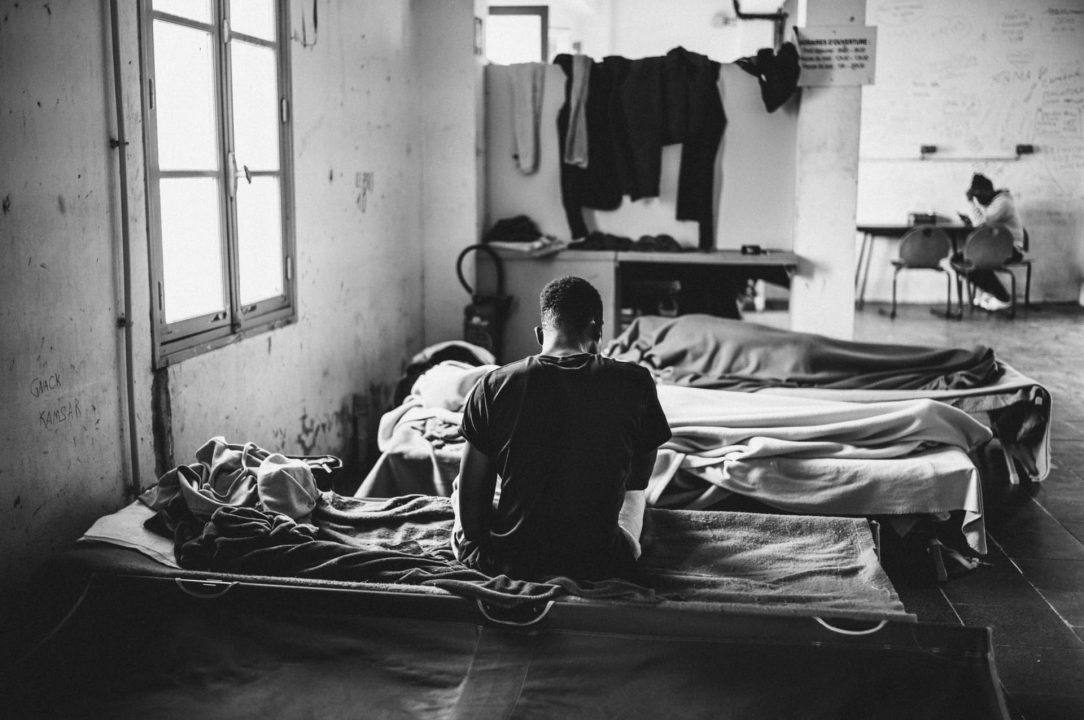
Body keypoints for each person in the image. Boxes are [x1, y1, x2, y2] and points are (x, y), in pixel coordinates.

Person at [452, 276, 671, 582]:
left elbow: (473, 525)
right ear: (597, 330)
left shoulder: (492, 385)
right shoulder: (636, 381)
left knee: (462, 486)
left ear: (540, 334)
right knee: (636, 496)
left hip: (511, 561)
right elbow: (638, 479)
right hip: (600, 562)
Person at [957, 173, 1026, 312]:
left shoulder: (1003, 203)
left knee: (971, 261)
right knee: (959, 260)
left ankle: (1003, 297)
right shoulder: (995, 202)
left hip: (1011, 251)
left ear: (988, 191)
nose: (979, 199)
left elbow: (981, 223)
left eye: (979, 194)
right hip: (997, 248)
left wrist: (971, 202)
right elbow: (983, 224)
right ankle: (990, 291)